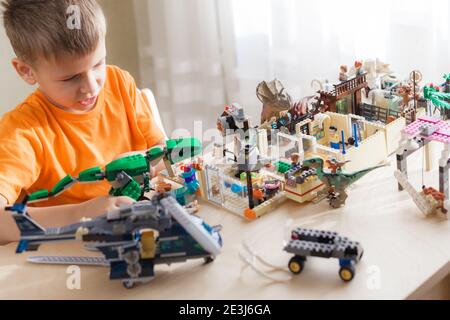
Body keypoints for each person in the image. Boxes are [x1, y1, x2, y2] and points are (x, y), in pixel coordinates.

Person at [0, 0, 166, 244]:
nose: (91, 87)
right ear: (26, 71)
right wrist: (82, 213)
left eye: (98, 64)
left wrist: (143, 166)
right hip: (71, 250)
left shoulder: (119, 83)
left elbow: (163, 155)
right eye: (71, 77)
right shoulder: (22, 131)